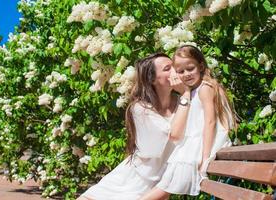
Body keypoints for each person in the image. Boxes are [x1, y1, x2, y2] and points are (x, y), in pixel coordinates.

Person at [77, 52, 191, 200]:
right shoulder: (140, 108)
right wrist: (186, 94)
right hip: (131, 180)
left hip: (156, 187)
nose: (175, 72)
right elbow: (172, 134)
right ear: (152, 79)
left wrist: (186, 94)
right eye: (167, 68)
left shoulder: (184, 102)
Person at [140, 45, 236, 200]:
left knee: (166, 184)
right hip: (196, 142)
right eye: (180, 71)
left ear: (201, 66)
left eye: (190, 68)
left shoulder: (205, 88)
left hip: (207, 143)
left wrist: (205, 158)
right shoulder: (192, 91)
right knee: (166, 182)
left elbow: (210, 122)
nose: (186, 74)